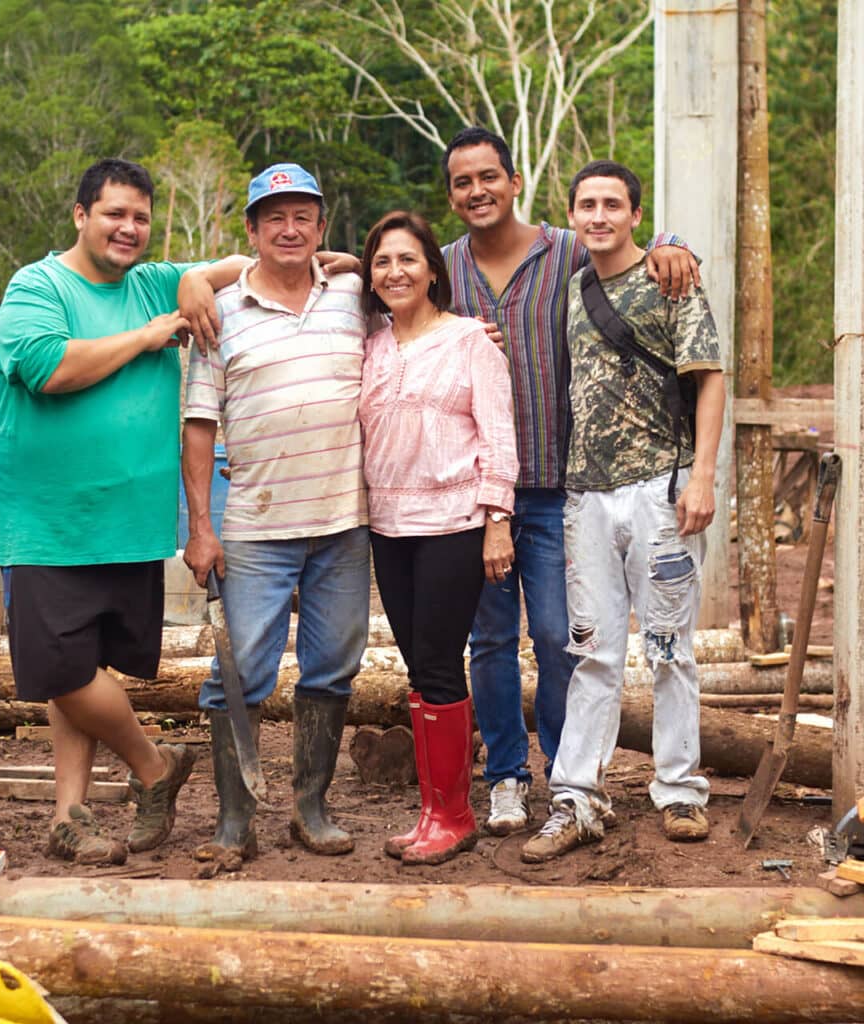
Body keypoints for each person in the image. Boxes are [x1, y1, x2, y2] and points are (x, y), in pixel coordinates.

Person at [0, 158, 248, 865]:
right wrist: (145, 336)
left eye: (140, 217)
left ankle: (68, 815)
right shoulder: (37, 286)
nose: (128, 228)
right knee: (60, 671)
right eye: (113, 214)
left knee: (86, 669)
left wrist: (195, 280)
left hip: (129, 521)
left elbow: (242, 265)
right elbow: (49, 368)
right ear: (81, 216)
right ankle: (154, 764)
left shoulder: (154, 282)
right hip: (49, 522)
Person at [440, 126, 701, 835]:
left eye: (488, 177)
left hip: (560, 483)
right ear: (452, 195)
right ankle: (505, 775)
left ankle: (566, 773)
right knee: (490, 641)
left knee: (562, 636)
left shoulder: (565, 250)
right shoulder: (444, 268)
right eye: (463, 182)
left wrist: (675, 241)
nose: (477, 191)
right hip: (477, 492)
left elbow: (627, 245)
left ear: (515, 182)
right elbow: (383, 284)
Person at [521, 160, 724, 862]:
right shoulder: (573, 286)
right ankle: (577, 796)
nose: (599, 216)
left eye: (613, 204)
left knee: (669, 649)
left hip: (661, 491)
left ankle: (679, 789)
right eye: (588, 205)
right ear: (572, 215)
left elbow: (709, 378)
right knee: (593, 652)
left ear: (637, 215)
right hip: (586, 497)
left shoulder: (671, 279)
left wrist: (702, 477)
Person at [182, 163, 369, 866]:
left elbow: (418, 285)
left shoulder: (354, 295)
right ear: (253, 231)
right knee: (239, 673)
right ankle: (235, 821)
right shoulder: (219, 311)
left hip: (344, 521)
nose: (289, 230)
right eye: (274, 219)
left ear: (321, 227)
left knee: (333, 667)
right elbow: (199, 425)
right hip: (256, 528)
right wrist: (201, 527)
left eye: (302, 218)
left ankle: (310, 808)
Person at [358, 210, 518, 866]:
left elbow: (499, 434)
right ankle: (431, 810)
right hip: (388, 526)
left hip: (454, 523)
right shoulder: (370, 347)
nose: (394, 272)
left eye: (407, 259)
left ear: (432, 270)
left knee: (439, 662)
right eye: (381, 261)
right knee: (418, 668)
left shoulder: (471, 341)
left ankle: (454, 815)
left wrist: (498, 520)